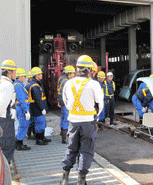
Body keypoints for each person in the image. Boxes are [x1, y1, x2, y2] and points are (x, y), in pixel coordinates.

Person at [60, 55, 104, 185]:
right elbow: (100, 105)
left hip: (73, 122)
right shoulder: (94, 84)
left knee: (71, 148)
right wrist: (92, 113)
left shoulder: (68, 83)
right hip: (88, 123)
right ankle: (81, 180)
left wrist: (75, 112)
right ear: (89, 69)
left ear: (77, 68)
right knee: (86, 150)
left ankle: (64, 178)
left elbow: (66, 102)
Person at [0, 60, 18, 164]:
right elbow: (2, 103)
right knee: (7, 143)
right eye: (14, 71)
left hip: (1, 118)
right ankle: (6, 170)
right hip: (5, 119)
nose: (15, 74)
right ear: (9, 72)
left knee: (3, 143)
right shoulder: (7, 85)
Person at [26, 67, 50, 145]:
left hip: (36, 107)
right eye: (40, 74)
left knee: (42, 123)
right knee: (39, 123)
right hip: (36, 108)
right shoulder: (35, 86)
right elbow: (38, 99)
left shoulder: (36, 84)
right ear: (36, 75)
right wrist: (42, 108)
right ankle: (39, 139)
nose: (41, 75)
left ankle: (42, 137)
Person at [13, 68, 31, 150]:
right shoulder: (18, 86)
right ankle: (19, 143)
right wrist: (26, 110)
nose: (25, 78)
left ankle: (19, 142)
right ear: (19, 77)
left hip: (21, 108)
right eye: (24, 76)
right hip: (22, 108)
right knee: (23, 125)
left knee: (23, 125)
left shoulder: (19, 85)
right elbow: (21, 99)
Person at [57, 65, 76, 143]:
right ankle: (65, 137)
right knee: (66, 118)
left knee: (63, 117)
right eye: (73, 73)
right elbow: (64, 93)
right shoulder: (66, 81)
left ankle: (62, 133)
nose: (74, 75)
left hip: (62, 101)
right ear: (69, 73)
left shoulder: (61, 79)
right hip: (66, 102)